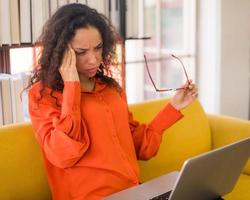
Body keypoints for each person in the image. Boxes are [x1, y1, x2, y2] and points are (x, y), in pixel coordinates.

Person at [28, 3, 198, 200]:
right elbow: (63, 156)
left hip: (135, 193)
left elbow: (140, 147)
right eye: (81, 52)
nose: (93, 60)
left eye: (98, 48)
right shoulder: (42, 95)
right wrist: (71, 85)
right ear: (61, 53)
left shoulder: (110, 88)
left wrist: (174, 107)